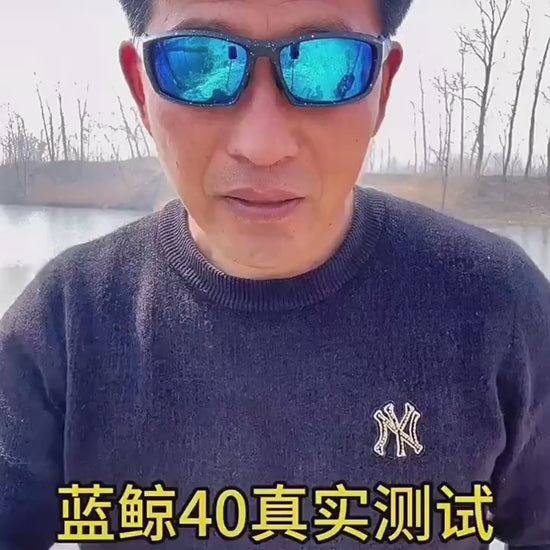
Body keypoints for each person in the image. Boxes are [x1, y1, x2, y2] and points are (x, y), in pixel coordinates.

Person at [1, 0, 549, 548]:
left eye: (326, 65)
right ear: (142, 90)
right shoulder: (65, 327)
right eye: (200, 64)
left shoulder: (496, 307)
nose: (262, 146)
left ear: (382, 88)